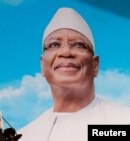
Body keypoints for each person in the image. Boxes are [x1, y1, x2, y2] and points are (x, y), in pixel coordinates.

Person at [19, 7, 130, 141]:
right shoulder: (25, 135)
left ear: (95, 65)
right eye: (54, 45)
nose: (66, 52)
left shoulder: (122, 124)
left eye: (78, 45)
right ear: (42, 65)